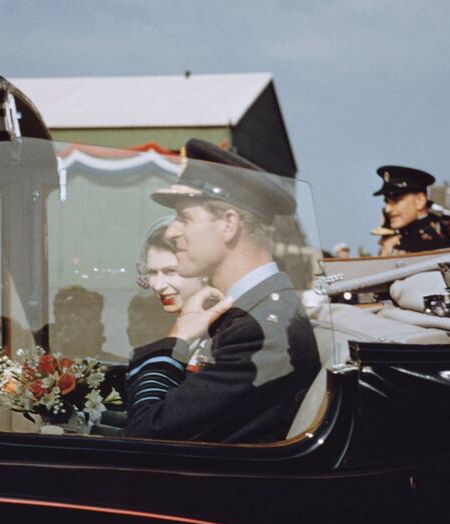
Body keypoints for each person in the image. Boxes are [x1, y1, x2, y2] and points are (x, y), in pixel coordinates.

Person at [126, 139, 320, 443]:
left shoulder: (259, 329)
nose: (172, 231)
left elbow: (147, 432)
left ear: (229, 224)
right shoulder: (253, 311)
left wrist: (176, 339)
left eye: (185, 218)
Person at [134, 218, 209, 370]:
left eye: (171, 271)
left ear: (203, 271)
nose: (159, 285)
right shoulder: (155, 328)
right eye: (152, 272)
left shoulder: (226, 334)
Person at [373, 165, 450, 253]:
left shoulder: (430, 244)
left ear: (420, 201)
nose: (387, 209)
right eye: (387, 202)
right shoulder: (399, 239)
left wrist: (388, 253)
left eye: (395, 200)